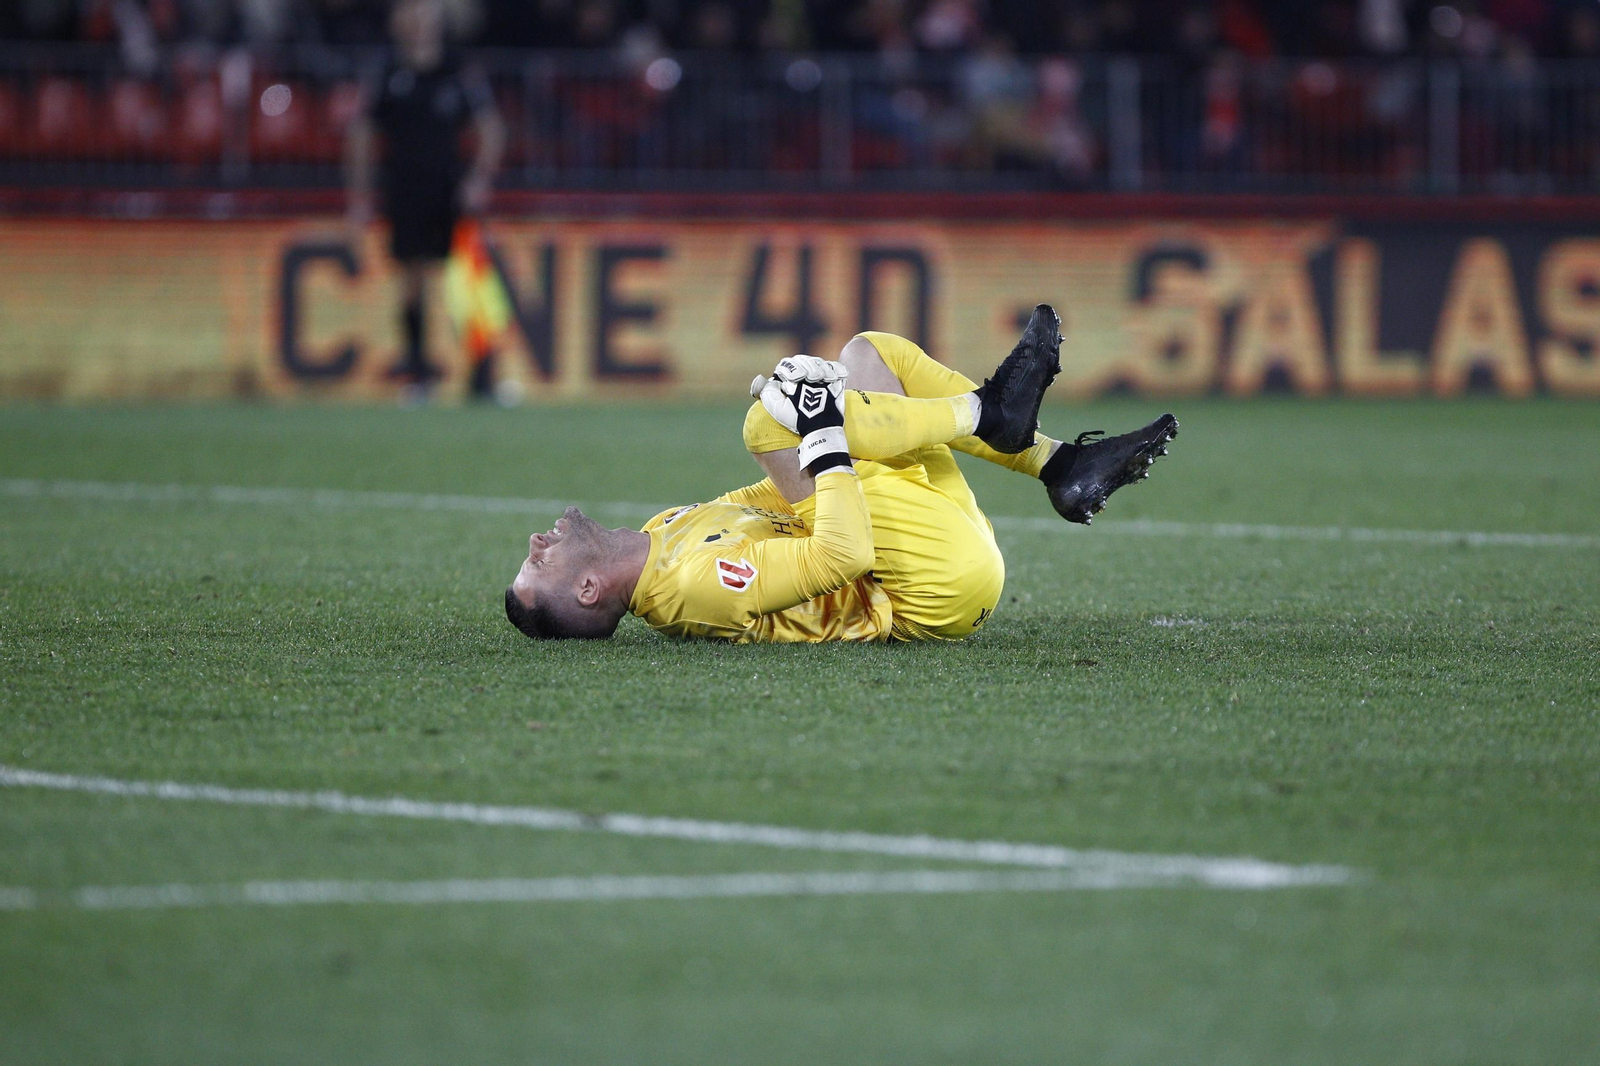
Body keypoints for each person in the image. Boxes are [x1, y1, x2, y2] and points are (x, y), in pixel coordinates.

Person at [505, 305, 1179, 643]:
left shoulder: (664, 532)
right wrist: (817, 426)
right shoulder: (688, 588)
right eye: (538, 566)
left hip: (928, 541)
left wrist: (817, 414)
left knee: (867, 355)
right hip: (925, 590)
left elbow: (785, 486)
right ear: (589, 589)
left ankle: (1059, 464)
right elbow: (844, 552)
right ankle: (989, 411)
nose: (536, 545)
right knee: (765, 424)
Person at [345, 0, 507, 399]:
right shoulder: (386, 74)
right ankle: (419, 377)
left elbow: (492, 129)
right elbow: (361, 136)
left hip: (451, 191)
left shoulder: (458, 70)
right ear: (398, 22)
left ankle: (483, 379)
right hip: (403, 188)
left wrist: (478, 180)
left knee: (468, 283)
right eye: (412, 14)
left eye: (426, 15)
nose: (419, 23)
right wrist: (360, 197)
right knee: (412, 281)